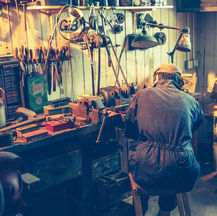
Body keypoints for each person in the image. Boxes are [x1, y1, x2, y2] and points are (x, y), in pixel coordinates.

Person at [125, 64, 204, 216]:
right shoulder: (191, 100)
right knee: (172, 168)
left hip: (147, 170)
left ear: (157, 78)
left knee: (148, 163)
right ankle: (165, 211)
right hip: (184, 171)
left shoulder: (141, 96)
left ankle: (141, 209)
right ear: (178, 80)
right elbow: (194, 126)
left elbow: (131, 132)